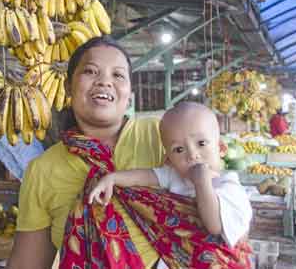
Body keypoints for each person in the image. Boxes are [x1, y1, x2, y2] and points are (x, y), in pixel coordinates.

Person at [7, 36, 251, 269]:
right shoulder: (43, 169)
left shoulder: (165, 135)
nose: (104, 81)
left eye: (118, 75)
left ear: (129, 95)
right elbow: (27, 263)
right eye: (90, 71)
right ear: (68, 87)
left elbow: (222, 200)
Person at [88, 102, 252, 269]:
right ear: (169, 161)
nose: (192, 155)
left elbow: (215, 226)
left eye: (201, 143)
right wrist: (113, 178)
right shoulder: (175, 176)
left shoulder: (229, 187)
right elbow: (143, 176)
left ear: (221, 148)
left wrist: (201, 183)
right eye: (179, 150)